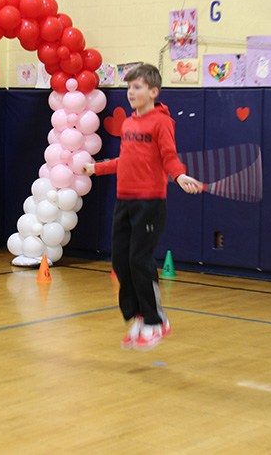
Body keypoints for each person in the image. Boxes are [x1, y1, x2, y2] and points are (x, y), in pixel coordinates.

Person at [83, 63, 202, 350]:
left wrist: (180, 174)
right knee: (120, 262)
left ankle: (155, 320)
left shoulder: (161, 121)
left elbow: (169, 156)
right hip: (124, 200)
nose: (131, 93)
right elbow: (128, 160)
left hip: (149, 202)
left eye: (137, 88)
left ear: (153, 92)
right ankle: (138, 316)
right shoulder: (129, 124)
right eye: (129, 88)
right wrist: (97, 169)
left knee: (139, 260)